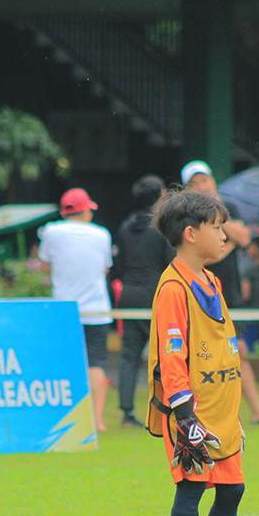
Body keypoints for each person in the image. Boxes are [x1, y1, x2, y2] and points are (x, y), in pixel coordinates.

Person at [146, 189, 245, 516]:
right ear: (191, 233)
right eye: (217, 228)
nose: (224, 236)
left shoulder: (211, 280)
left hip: (223, 413)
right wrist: (184, 416)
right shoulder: (173, 289)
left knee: (232, 491)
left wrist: (233, 415)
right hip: (192, 415)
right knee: (190, 492)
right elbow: (172, 357)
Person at [182, 160, 259, 425]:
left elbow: (243, 237)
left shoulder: (228, 208)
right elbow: (198, 259)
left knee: (238, 349)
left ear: (213, 181)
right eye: (194, 183)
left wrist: (216, 214)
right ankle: (204, 412)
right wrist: (224, 244)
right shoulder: (185, 215)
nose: (201, 186)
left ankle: (256, 410)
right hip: (199, 293)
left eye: (204, 180)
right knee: (203, 355)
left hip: (229, 294)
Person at [38, 188, 113, 433]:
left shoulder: (51, 231)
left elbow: (45, 264)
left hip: (64, 309)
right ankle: (97, 419)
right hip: (96, 310)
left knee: (64, 362)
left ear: (64, 211)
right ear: (87, 210)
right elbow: (105, 269)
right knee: (96, 364)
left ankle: (64, 417)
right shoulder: (102, 234)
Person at [111, 174, 174, 428]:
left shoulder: (125, 227)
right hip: (155, 296)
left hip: (129, 296)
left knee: (129, 355)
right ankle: (167, 410)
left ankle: (127, 412)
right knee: (166, 355)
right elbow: (170, 263)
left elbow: (119, 266)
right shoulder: (161, 228)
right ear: (159, 197)